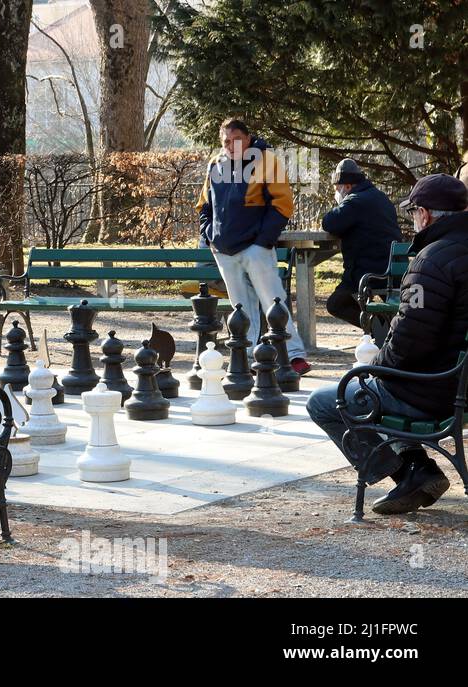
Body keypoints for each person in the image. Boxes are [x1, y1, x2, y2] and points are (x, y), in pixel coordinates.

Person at [306, 174, 468, 515]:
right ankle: (416, 468)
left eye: (413, 214)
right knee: (380, 383)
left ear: (424, 214)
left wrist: (373, 367)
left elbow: (410, 341)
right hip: (457, 383)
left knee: (326, 400)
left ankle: (409, 471)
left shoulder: (431, 261)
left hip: (436, 392)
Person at [198, 118, 311, 374]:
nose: (231, 145)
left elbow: (282, 204)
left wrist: (262, 241)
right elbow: (205, 205)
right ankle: (246, 357)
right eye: (226, 140)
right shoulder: (215, 165)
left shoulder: (266, 161)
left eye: (237, 139)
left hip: (255, 246)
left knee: (273, 300)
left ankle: (292, 356)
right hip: (224, 249)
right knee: (240, 306)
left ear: (248, 139)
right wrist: (209, 235)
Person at [320, 158, 401, 333]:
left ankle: (382, 331)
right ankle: (386, 331)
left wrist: (340, 205)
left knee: (336, 304)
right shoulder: (380, 197)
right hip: (392, 269)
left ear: (347, 186)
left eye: (337, 189)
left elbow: (329, 223)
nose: (337, 193)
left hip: (367, 272)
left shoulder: (355, 201)